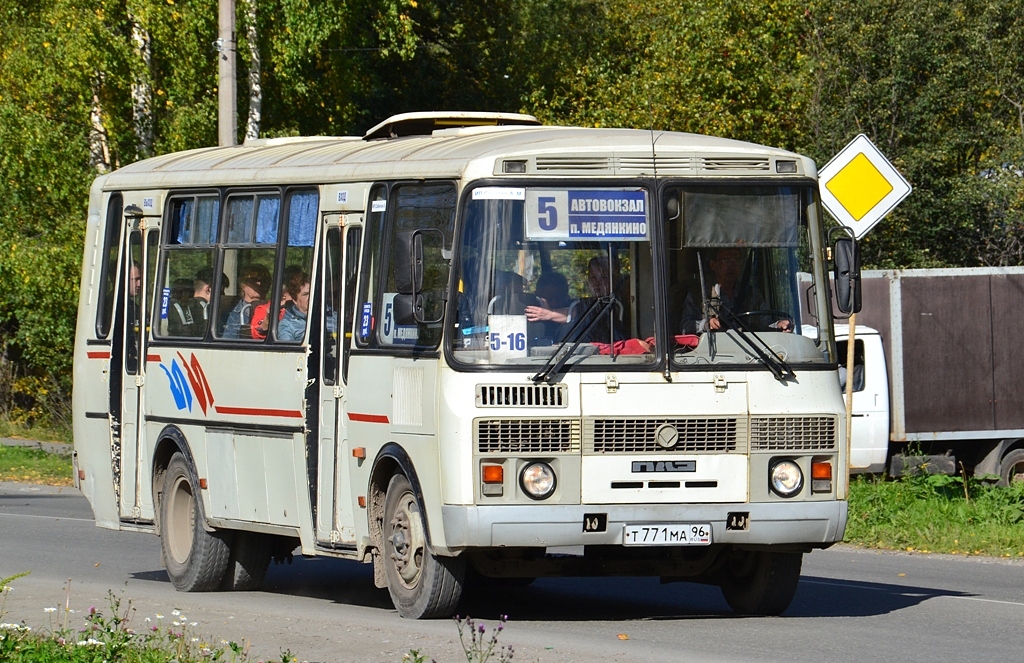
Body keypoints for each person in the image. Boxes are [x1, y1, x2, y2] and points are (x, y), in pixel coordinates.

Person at [681, 247, 792, 334]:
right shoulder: (699, 294)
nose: (732, 266)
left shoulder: (752, 294)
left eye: (736, 260)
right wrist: (706, 324)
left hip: (748, 354)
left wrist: (779, 325)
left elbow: (765, 324)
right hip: (711, 355)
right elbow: (685, 326)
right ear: (713, 264)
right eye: (726, 261)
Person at [223, 264, 269, 339]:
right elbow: (227, 344)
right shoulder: (232, 314)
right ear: (243, 284)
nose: (259, 284)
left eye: (264, 280)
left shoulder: (274, 309)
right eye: (254, 280)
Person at [277, 272, 311, 341]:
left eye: (313, 293)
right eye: (305, 294)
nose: (311, 297)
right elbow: (288, 350)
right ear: (295, 300)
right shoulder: (287, 325)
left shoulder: (330, 314)